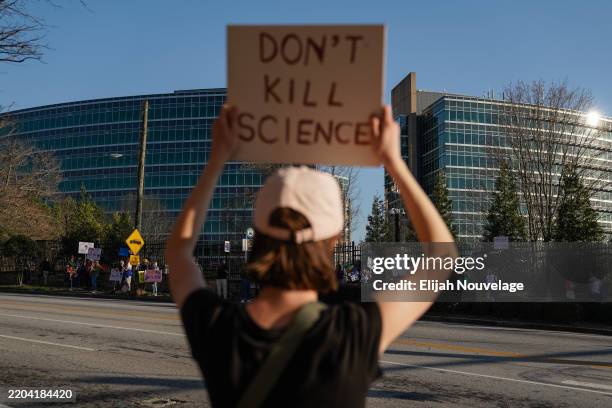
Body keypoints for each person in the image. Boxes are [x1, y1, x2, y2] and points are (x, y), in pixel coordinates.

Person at [165, 105, 456, 407]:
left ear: (259, 236)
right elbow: (442, 256)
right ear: (335, 240)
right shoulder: (352, 332)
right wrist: (394, 161)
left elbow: (179, 254)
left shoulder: (218, 328)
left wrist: (217, 160)